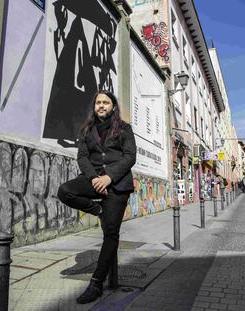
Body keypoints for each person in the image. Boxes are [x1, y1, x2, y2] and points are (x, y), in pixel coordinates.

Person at [58, 90, 136, 304]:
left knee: (110, 233)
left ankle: (96, 283)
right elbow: (82, 157)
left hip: (117, 185)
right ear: (94, 107)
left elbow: (130, 157)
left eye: (106, 102)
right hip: (94, 180)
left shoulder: (124, 129)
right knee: (65, 191)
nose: (101, 105)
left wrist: (108, 177)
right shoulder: (86, 130)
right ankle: (99, 210)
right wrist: (93, 178)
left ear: (113, 106)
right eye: (98, 103)